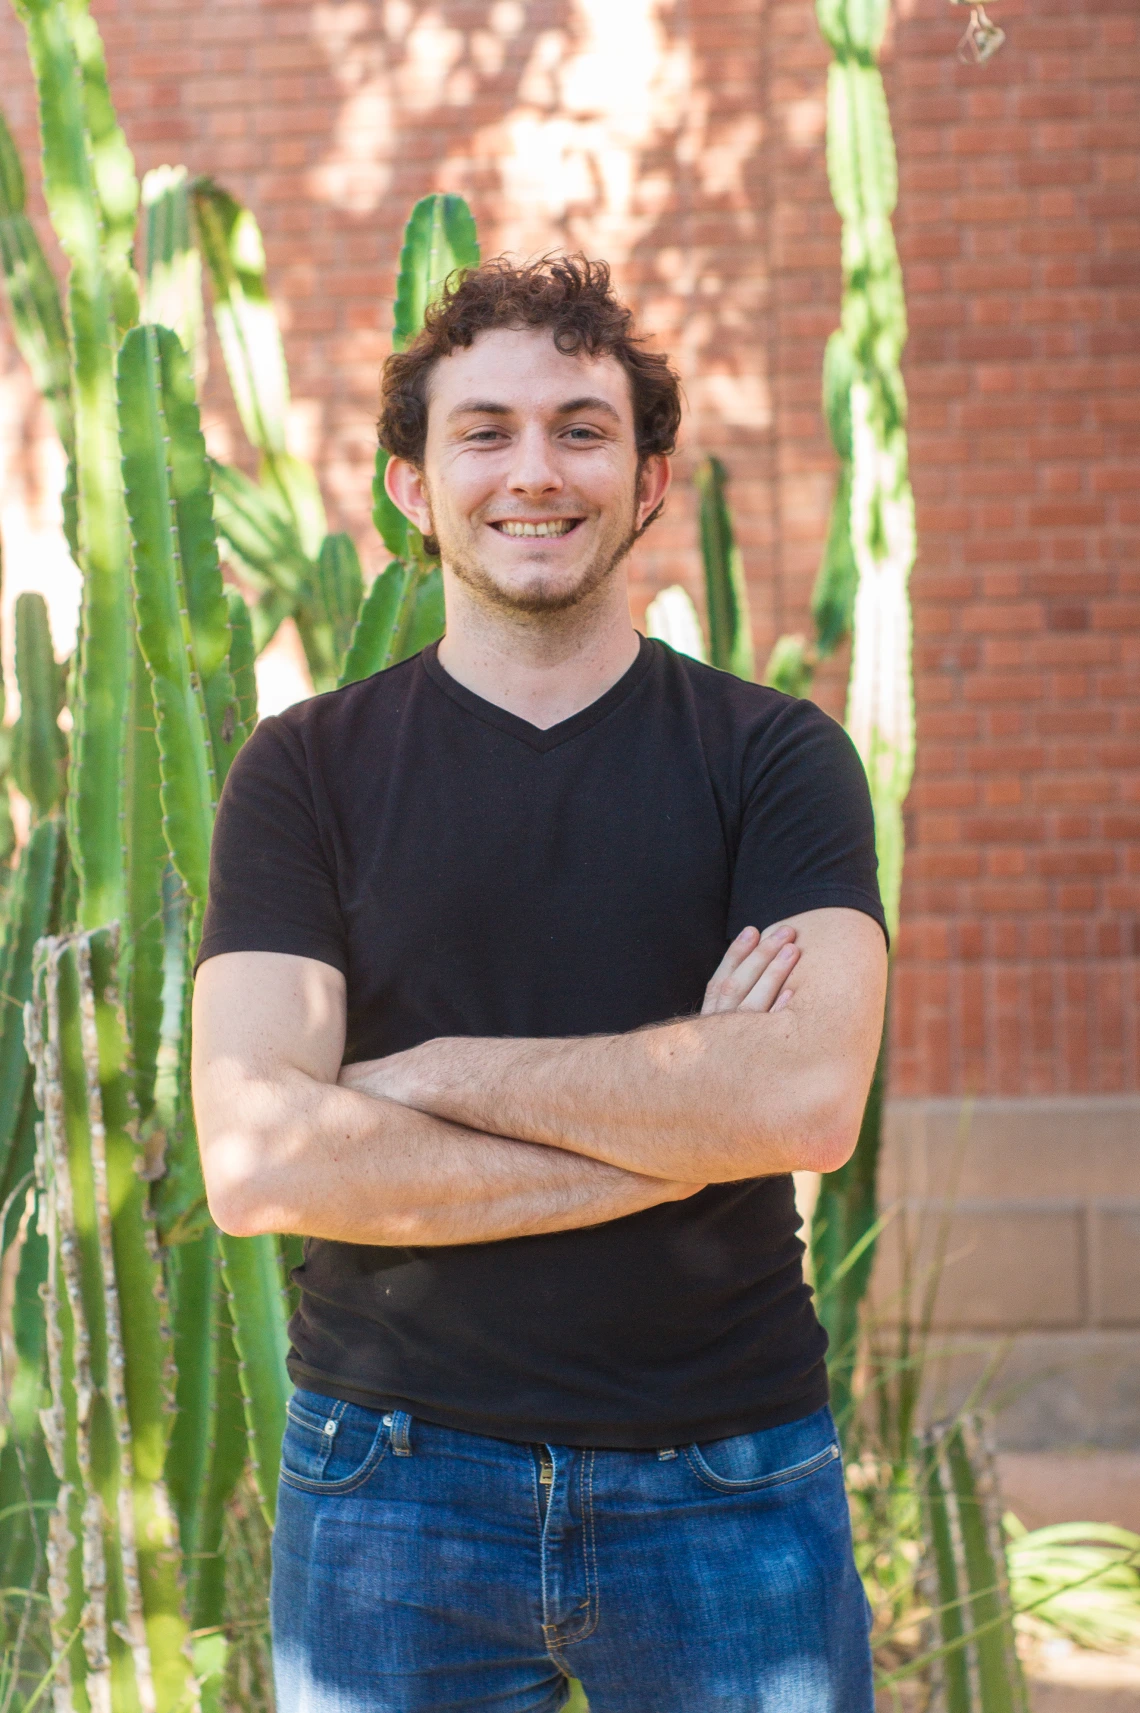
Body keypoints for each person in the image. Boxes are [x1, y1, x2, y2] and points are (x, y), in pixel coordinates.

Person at [192, 254, 888, 1713]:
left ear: (646, 482)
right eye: (485, 431)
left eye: (582, 428)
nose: (535, 472)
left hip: (727, 1476)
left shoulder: (773, 758)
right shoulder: (304, 771)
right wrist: (687, 1116)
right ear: (410, 486)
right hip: (389, 1480)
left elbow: (808, 1100)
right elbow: (256, 1162)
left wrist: (419, 1080)